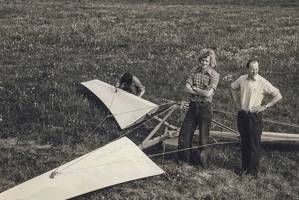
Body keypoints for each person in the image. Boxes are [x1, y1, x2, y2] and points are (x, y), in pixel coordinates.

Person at [230, 58, 282, 176]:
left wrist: (265, 106)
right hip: (242, 115)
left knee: (254, 145)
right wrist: (235, 102)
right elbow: (232, 87)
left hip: (254, 117)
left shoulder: (262, 82)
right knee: (244, 143)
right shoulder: (242, 79)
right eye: (252, 69)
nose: (255, 71)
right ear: (247, 68)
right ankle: (244, 169)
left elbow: (278, 95)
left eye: (257, 69)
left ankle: (252, 174)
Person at [178, 49, 219, 168]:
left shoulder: (215, 75)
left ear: (211, 62)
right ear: (199, 60)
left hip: (205, 108)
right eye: (202, 60)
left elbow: (208, 94)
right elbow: (186, 88)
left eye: (206, 61)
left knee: (203, 138)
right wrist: (200, 91)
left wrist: (195, 89)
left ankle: (202, 165)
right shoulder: (194, 71)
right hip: (192, 107)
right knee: (184, 133)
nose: (204, 63)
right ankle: (184, 162)